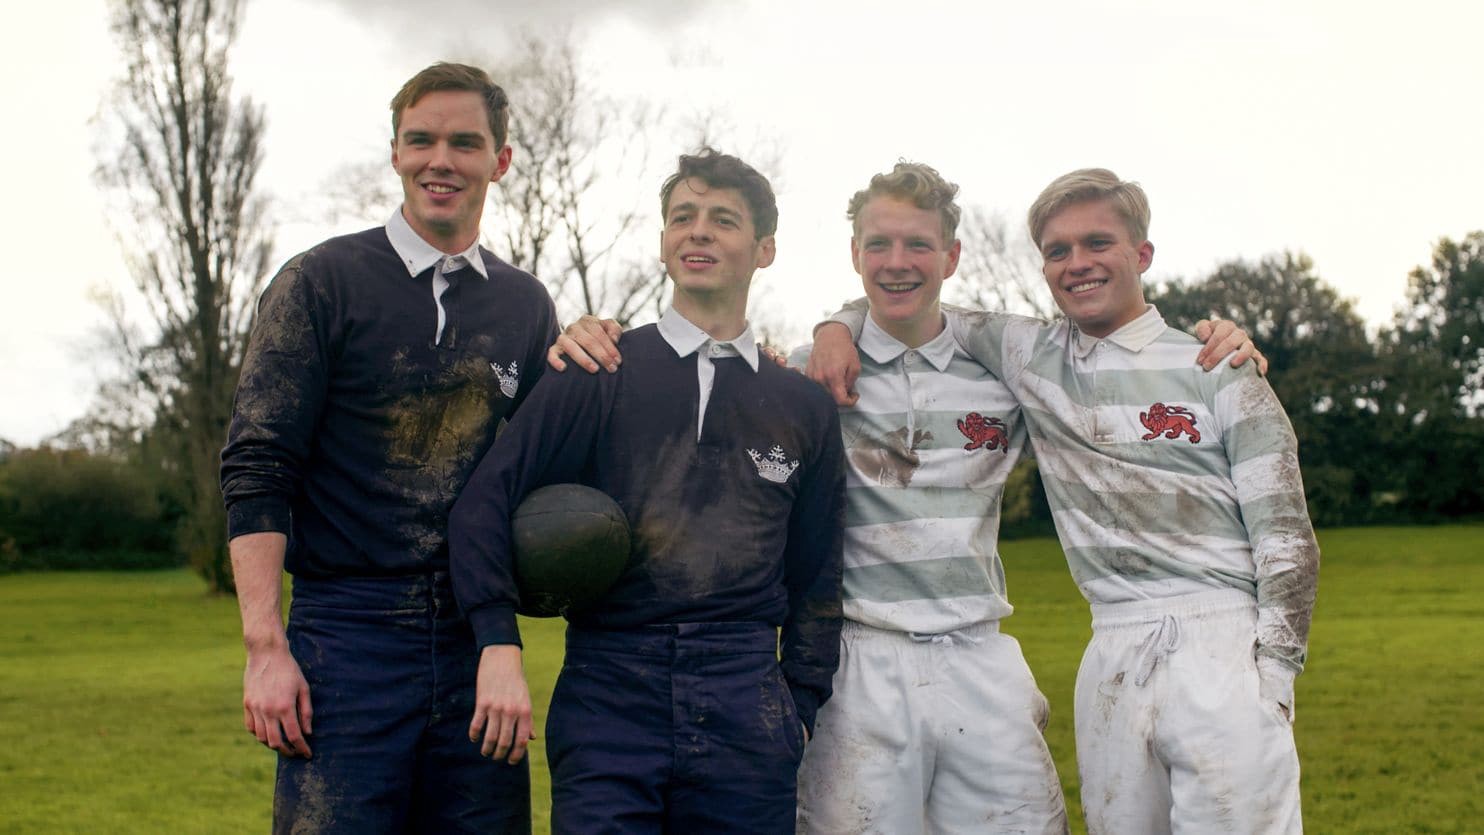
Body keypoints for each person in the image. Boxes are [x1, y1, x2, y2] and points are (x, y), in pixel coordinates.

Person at [812, 168, 1318, 834]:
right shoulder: (1033, 354)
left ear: (1141, 255)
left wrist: (1273, 684)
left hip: (1220, 642)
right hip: (1109, 645)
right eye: (1058, 251)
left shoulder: (1216, 364)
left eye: (1097, 243)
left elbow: (1285, 532)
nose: (1078, 263)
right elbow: (911, 300)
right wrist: (834, 325)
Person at [447, 149, 847, 834]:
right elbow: (483, 503)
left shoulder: (802, 405)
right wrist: (497, 642)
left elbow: (818, 575)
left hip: (746, 696)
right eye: (682, 217)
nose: (698, 231)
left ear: (765, 249)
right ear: (664, 243)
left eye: (723, 219)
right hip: (611, 689)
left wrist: (799, 708)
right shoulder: (595, 370)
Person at [220, 62, 557, 833]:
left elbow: (557, 468)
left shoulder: (525, 305)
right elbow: (258, 462)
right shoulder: (320, 282)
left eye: (465, 142)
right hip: (346, 639)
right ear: (397, 151)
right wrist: (265, 646)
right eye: (422, 140)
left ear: (500, 161)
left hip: (475, 644)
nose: (441, 159)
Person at [788, 162, 1069, 834]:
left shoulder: (1004, 374)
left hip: (979, 651)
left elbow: (1109, 355)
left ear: (952, 254)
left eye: (918, 244)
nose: (897, 262)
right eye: (878, 244)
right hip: (859, 659)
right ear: (854, 253)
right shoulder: (809, 372)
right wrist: (837, 324)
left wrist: (1213, 341)